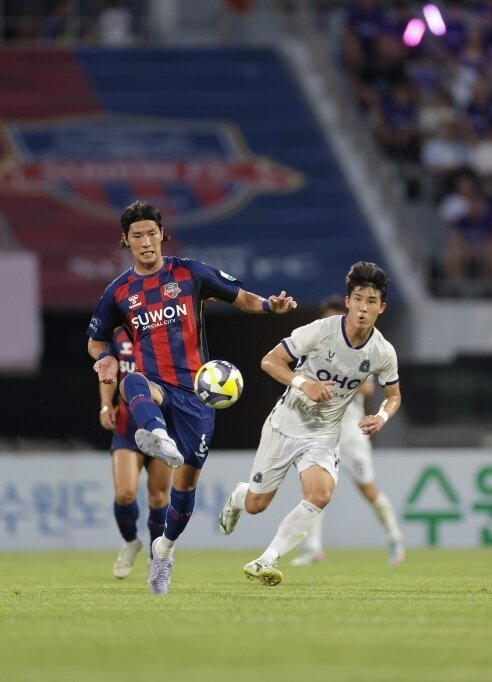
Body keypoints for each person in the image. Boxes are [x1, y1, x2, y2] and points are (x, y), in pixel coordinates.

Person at [87, 200, 297, 595]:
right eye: (137, 236)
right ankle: (157, 436)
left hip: (199, 395)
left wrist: (271, 304)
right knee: (131, 382)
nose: (146, 242)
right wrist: (107, 361)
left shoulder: (189, 272)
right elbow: (96, 342)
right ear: (125, 241)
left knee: (183, 491)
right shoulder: (119, 291)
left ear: (161, 234)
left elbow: (241, 297)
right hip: (156, 387)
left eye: (151, 233)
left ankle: (163, 551)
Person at [218, 261, 401, 586]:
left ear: (381, 308)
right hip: (286, 424)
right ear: (348, 301)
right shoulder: (321, 331)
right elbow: (269, 361)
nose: (363, 308)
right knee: (257, 504)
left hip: (324, 434)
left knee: (320, 494)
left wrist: (382, 416)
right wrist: (305, 384)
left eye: (371, 302)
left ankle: (266, 560)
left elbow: (394, 396)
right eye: (358, 298)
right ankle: (238, 497)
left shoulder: (383, 351)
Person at [289, 297, 404, 567]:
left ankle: (395, 536)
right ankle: (313, 548)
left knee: (369, 491)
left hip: (352, 434)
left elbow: (368, 390)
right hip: (322, 430)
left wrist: (340, 379)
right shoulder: (318, 346)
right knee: (313, 489)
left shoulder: (363, 352)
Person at [99, 325, 171, 580]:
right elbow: (109, 371)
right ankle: (130, 541)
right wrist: (106, 404)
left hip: (163, 425)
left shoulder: (167, 329)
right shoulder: (117, 335)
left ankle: (156, 558)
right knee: (125, 493)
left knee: (159, 497)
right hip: (127, 427)